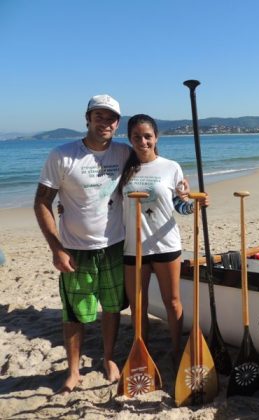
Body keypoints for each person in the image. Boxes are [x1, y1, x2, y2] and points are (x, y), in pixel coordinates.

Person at [34, 94, 131, 394]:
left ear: (117, 123)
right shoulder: (62, 155)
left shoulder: (124, 153)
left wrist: (182, 190)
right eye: (99, 116)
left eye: (111, 118)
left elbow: (153, 169)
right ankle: (73, 371)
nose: (105, 122)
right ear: (87, 118)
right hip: (75, 249)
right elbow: (42, 202)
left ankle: (108, 358)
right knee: (74, 313)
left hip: (115, 244)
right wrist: (56, 248)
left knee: (112, 308)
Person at [117, 114, 205, 363]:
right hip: (133, 248)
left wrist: (197, 204)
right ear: (130, 138)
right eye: (137, 136)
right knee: (138, 305)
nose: (142, 141)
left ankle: (177, 350)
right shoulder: (124, 166)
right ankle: (141, 351)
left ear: (156, 137)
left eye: (147, 136)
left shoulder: (171, 167)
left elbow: (181, 205)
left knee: (172, 301)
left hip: (165, 244)